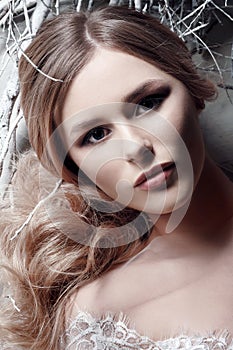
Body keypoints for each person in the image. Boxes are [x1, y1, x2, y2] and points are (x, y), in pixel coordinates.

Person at [0, 5, 233, 350]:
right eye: (96, 135)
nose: (137, 147)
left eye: (149, 103)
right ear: (75, 169)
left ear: (193, 89)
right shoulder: (97, 317)